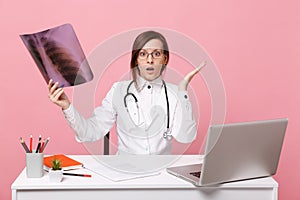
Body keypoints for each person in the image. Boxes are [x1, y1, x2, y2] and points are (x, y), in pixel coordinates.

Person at [48, 31, 205, 155]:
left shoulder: (174, 93)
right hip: (125, 174)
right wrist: (67, 107)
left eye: (156, 54)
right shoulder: (119, 90)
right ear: (136, 59)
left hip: (161, 175)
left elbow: (187, 137)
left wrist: (183, 92)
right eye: (143, 54)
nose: (150, 60)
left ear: (165, 58)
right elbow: (91, 131)